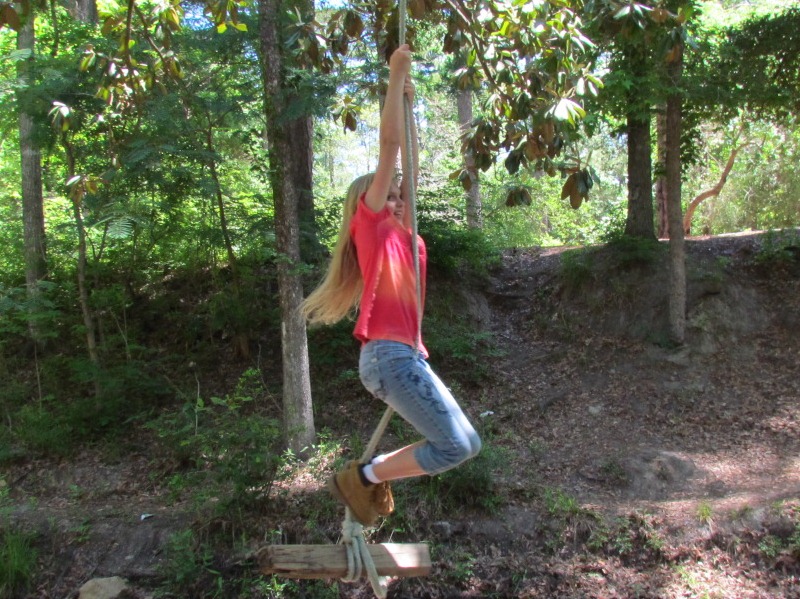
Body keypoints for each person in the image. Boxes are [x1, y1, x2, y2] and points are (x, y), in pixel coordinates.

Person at [301, 44, 481, 526]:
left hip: (408, 355)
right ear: (370, 203)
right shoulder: (373, 225)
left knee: (468, 444)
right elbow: (391, 151)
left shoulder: (408, 236)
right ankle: (363, 477)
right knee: (453, 445)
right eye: (390, 195)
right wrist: (395, 77)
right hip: (387, 356)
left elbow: (411, 167)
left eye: (401, 196)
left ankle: (367, 476)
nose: (397, 202)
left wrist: (409, 104)